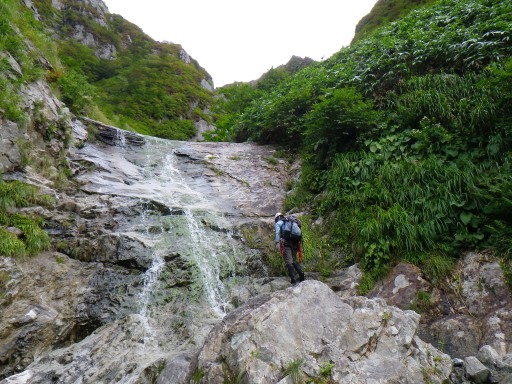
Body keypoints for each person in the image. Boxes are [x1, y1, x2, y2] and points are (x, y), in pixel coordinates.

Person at [275, 212, 305, 284]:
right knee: (294, 259)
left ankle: (293, 279)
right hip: (295, 242)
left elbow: (277, 233)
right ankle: (301, 275)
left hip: (287, 244)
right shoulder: (290, 221)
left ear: (276, 218)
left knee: (289, 261)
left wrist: (277, 242)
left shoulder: (279, 223)